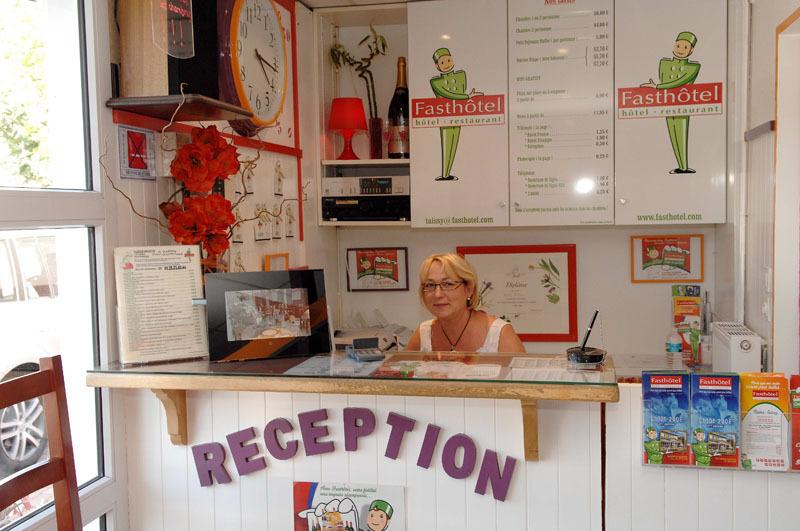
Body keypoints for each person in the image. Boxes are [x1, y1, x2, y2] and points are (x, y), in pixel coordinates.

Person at [405, 253, 526, 353]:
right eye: (430, 285)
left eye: (448, 284)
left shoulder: (500, 334)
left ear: (469, 289)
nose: (438, 294)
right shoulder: (423, 334)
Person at [640, 31, 701, 174]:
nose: (680, 49)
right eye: (678, 45)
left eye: (685, 47)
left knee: (681, 134)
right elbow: (663, 77)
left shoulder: (693, 67)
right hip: (668, 103)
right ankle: (680, 166)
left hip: (682, 104)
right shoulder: (664, 63)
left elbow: (679, 82)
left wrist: (657, 87)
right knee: (672, 133)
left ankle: (684, 166)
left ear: (691, 50)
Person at [429, 48, 483, 181]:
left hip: (458, 114)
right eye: (442, 62)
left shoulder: (461, 75)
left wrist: (465, 99)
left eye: (448, 60)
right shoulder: (435, 82)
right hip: (445, 116)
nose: (447, 64)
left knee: (455, 143)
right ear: (437, 66)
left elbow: (461, 88)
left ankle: (447, 173)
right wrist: (468, 96)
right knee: (447, 143)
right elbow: (449, 94)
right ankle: (445, 174)